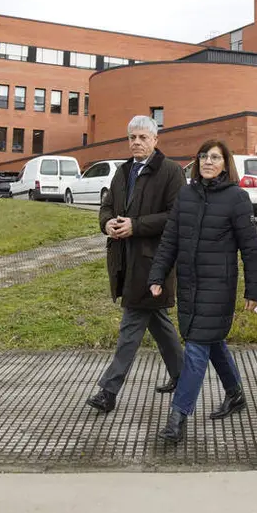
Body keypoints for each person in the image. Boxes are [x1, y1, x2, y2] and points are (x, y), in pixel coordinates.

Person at [147, 138, 257, 443]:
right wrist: (157, 274)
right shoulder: (186, 195)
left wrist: (255, 289)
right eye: (203, 157)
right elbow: (170, 240)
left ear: (226, 163)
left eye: (215, 157)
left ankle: (177, 417)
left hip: (219, 287)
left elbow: (251, 249)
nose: (208, 162)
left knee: (197, 346)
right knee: (212, 341)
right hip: (189, 284)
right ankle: (235, 394)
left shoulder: (237, 198)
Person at [85, 116, 186, 413]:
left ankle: (108, 390)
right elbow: (107, 206)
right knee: (158, 322)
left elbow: (176, 216)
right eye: (132, 137)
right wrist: (109, 225)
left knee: (131, 327)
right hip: (125, 261)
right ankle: (183, 375)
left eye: (143, 137)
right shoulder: (123, 171)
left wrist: (136, 226)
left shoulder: (170, 172)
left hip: (153, 264)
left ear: (155, 140)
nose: (136, 142)